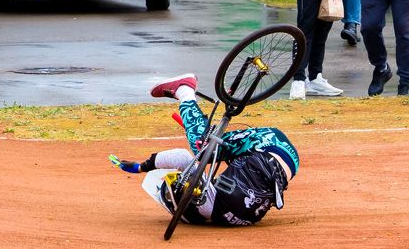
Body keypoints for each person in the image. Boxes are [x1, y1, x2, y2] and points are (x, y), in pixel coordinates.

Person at [111, 73, 299, 227]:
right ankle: (184, 90)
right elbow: (181, 158)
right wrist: (141, 167)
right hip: (268, 144)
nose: (183, 185)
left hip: (288, 161)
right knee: (202, 144)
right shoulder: (207, 202)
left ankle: (187, 96)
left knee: (208, 148)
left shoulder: (228, 217)